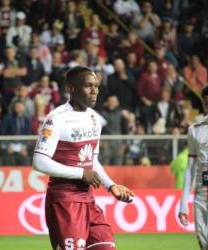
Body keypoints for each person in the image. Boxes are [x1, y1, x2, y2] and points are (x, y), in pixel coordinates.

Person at [32, 66, 134, 250]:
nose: (94, 90)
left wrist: (111, 185)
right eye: (88, 86)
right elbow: (39, 161)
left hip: (88, 199)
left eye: (96, 86)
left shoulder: (95, 119)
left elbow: (92, 159)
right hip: (65, 200)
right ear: (71, 88)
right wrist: (80, 173)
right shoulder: (56, 118)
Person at [179, 83, 208, 250]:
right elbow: (191, 167)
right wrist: (184, 202)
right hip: (201, 199)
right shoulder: (195, 130)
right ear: (203, 104)